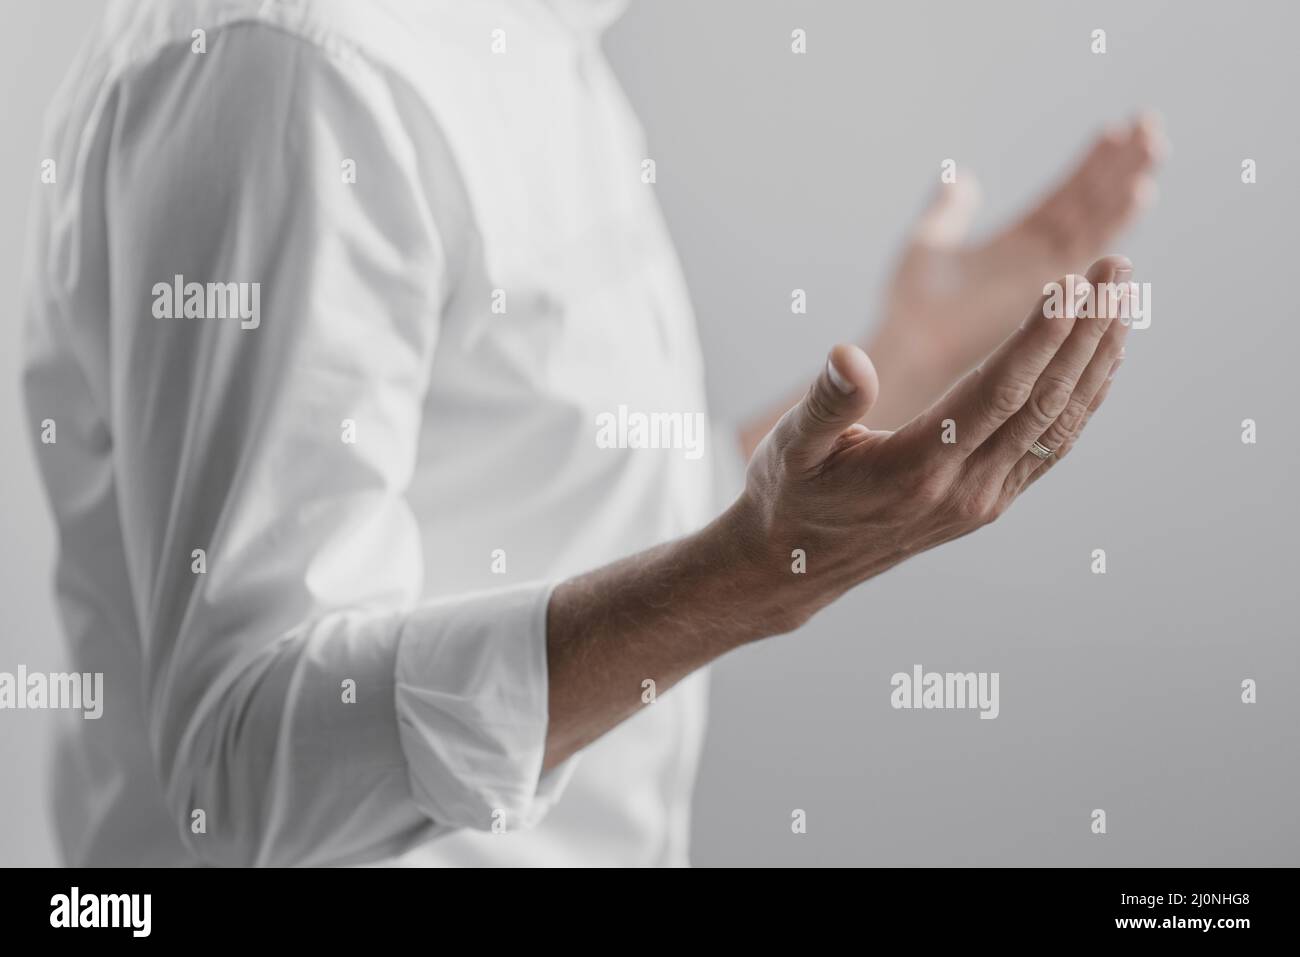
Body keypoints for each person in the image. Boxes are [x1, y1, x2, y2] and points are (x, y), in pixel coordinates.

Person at [22, 0, 1161, 867]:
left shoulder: (534, 40)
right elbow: (239, 772)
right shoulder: (295, 71)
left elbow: (551, 504)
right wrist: (749, 581)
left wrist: (900, 359)